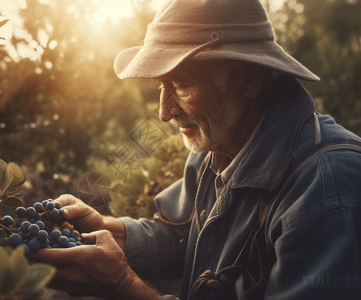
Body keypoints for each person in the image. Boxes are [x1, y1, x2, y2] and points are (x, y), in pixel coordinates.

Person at [31, 0, 361, 299]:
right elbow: (185, 235)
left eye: (181, 84)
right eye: (161, 86)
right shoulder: (214, 147)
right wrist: (110, 229)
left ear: (249, 77)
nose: (164, 112)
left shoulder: (326, 192)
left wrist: (122, 286)